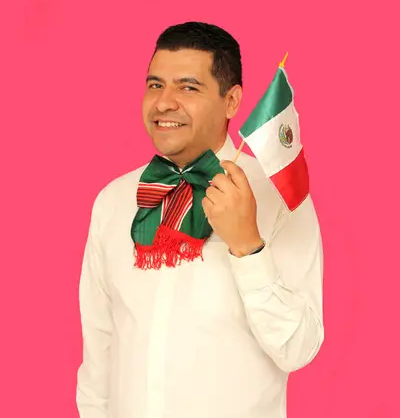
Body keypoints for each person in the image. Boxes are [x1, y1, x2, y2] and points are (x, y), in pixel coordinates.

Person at [76, 21, 324, 418]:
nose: (164, 103)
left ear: (231, 101)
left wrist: (247, 247)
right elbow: (100, 350)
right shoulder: (114, 201)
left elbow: (298, 348)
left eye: (188, 87)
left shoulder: (278, 199)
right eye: (155, 85)